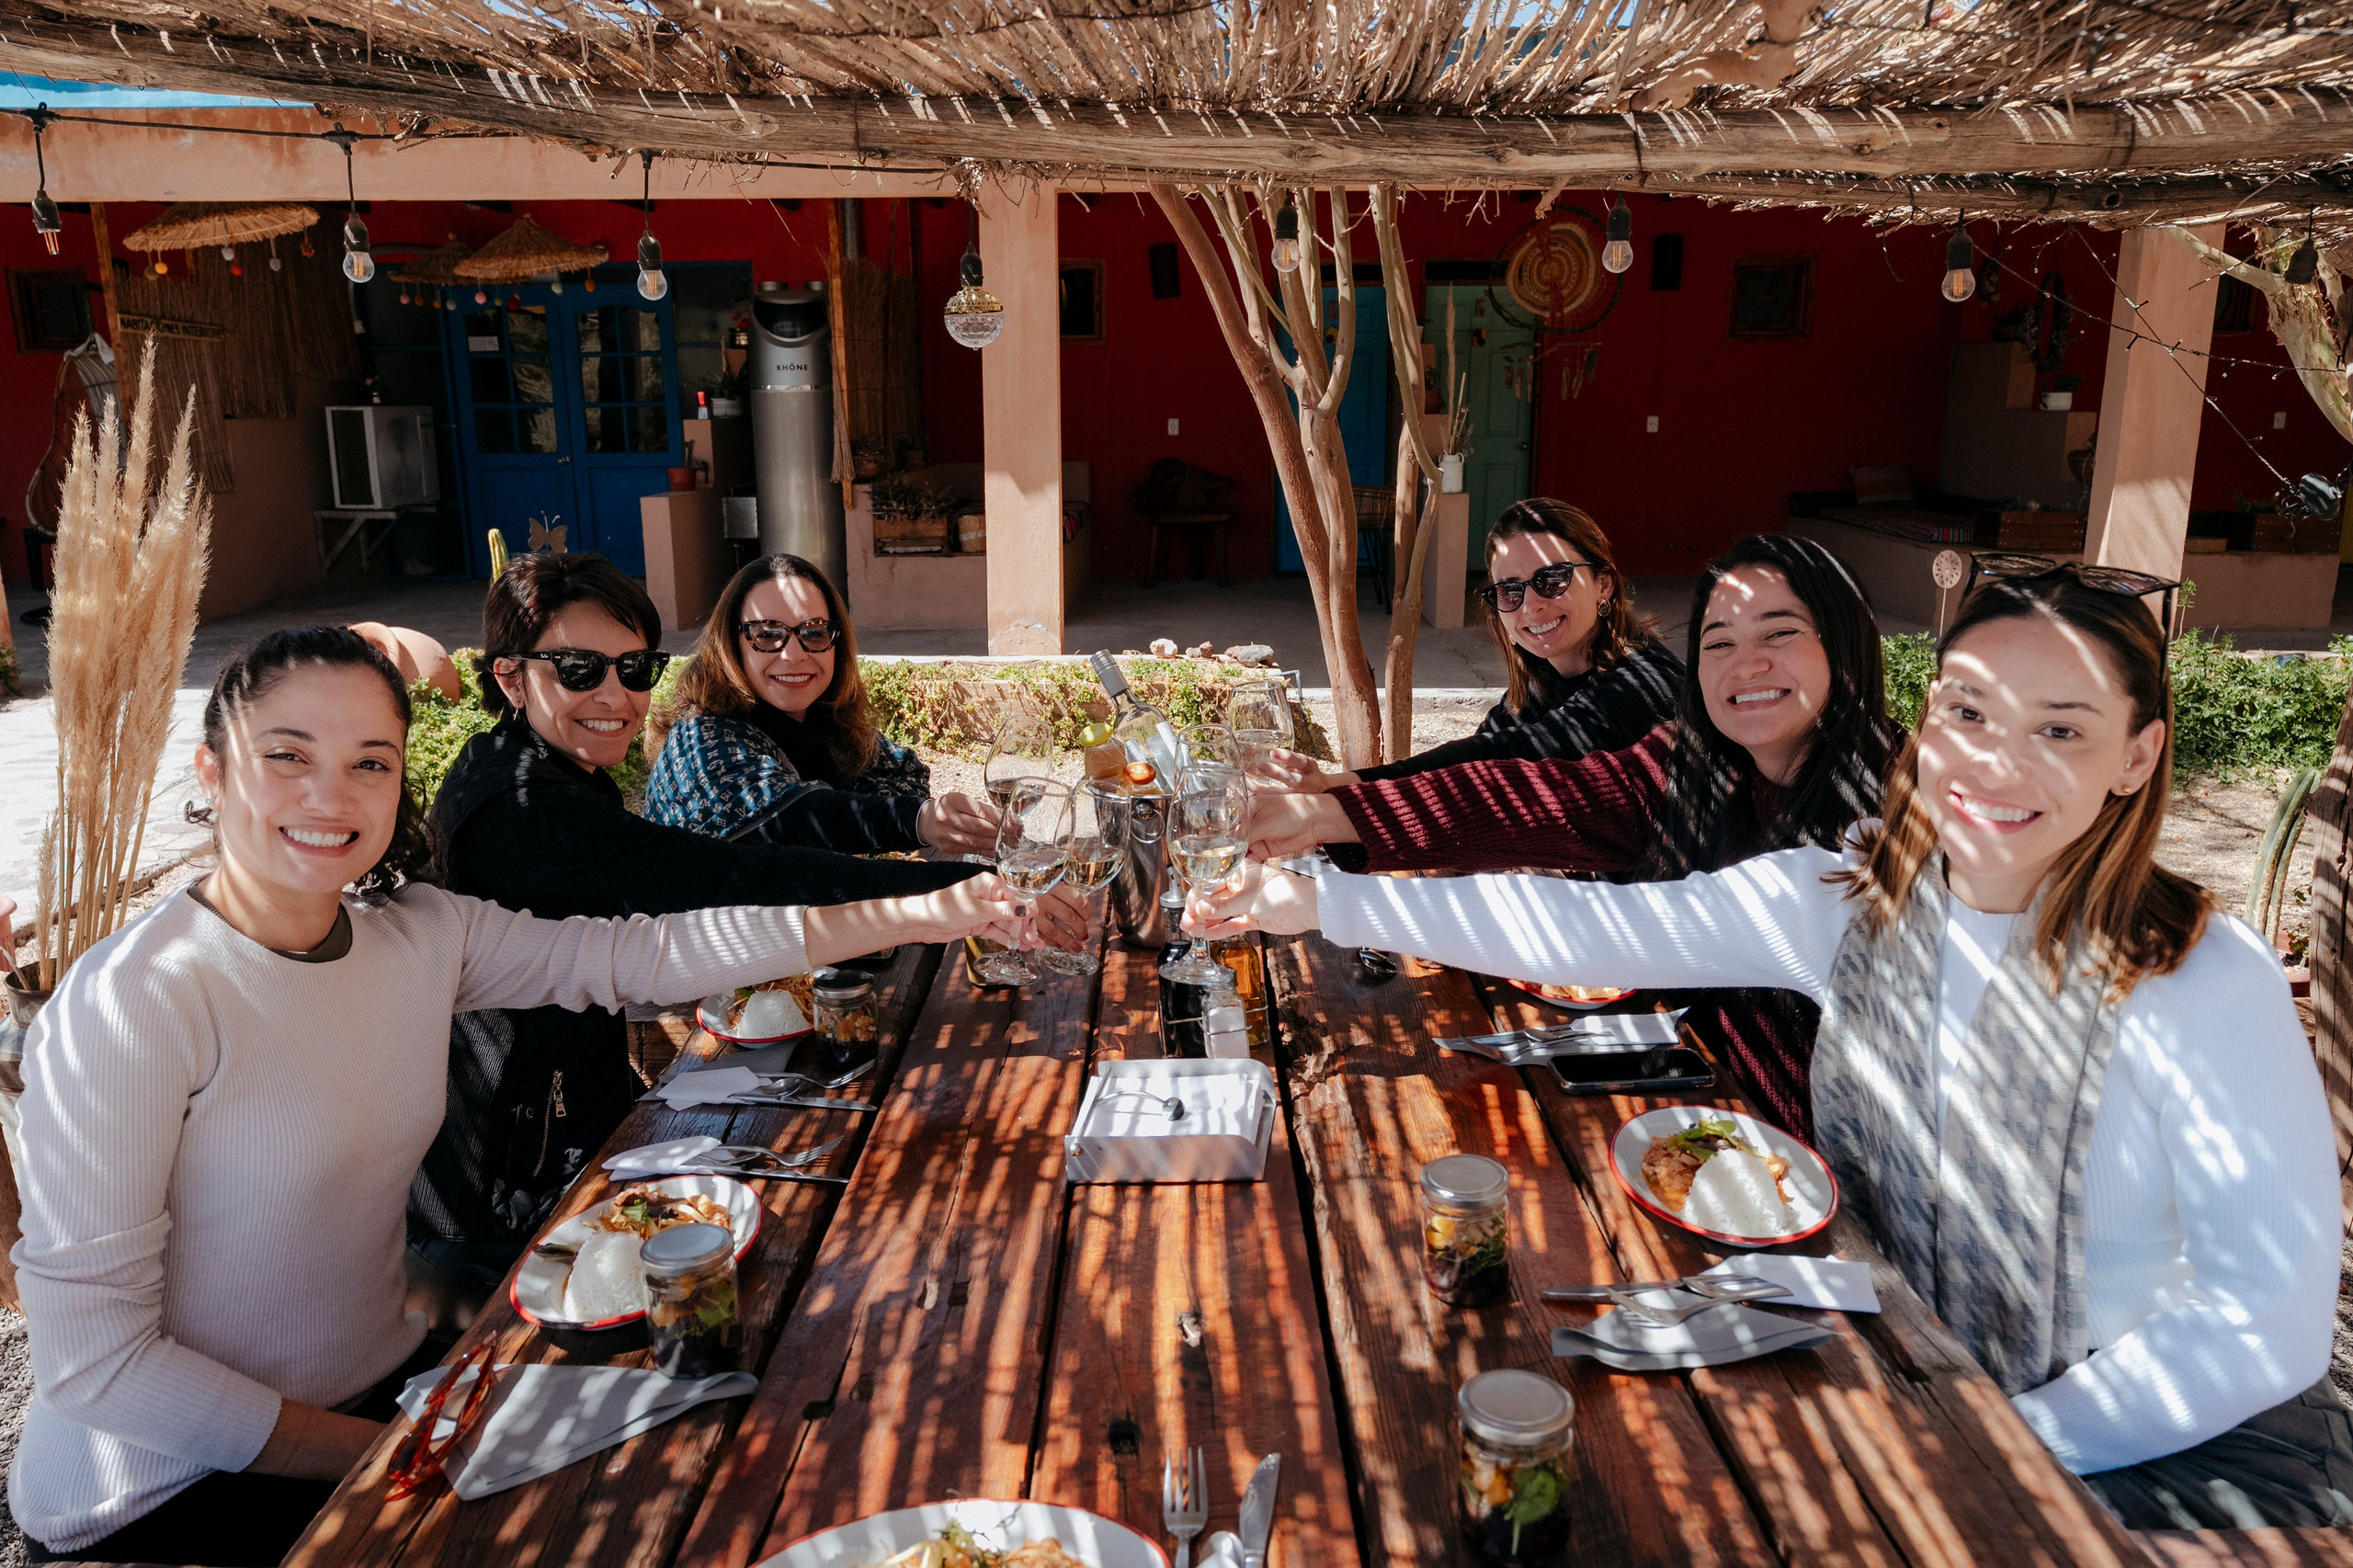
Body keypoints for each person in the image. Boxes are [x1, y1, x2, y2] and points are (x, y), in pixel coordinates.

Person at [1193, 566, 2349, 1528]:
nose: (1995, 763)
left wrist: (1996, 1447)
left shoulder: (2198, 975)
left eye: (2060, 729)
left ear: (2137, 758)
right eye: (1970, 713)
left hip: (2163, 1456)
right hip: (1905, 1372)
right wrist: (1316, 902)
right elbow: (1586, 925)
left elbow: (2264, 1317)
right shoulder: (1847, 897)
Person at [8, 627, 1065, 1565]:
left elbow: (644, 954)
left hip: (395, 1391)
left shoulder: (413, 932)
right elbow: (101, 1369)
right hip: (170, 1494)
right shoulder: (133, 1003)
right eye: (287, 756)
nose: (330, 795)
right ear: (210, 768)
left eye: (369, 762)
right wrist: (401, 1444)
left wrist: (933, 909)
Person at [410, 554, 1024, 1301]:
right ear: (510, 677)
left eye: (635, 668)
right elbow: (738, 874)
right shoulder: (524, 808)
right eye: (578, 669)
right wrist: (957, 891)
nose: (616, 695)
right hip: (507, 1185)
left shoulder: (538, 761)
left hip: (585, 1107)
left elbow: (864, 798)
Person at [1245, 534, 1899, 1134]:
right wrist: (1324, 814)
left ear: (1844, 645)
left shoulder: (1891, 820)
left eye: (1778, 634)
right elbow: (1534, 794)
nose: (1746, 664)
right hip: (1688, 1104)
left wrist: (1323, 879)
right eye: (1719, 642)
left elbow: (1608, 926)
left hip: (1816, 1175)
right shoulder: (1690, 758)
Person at [1259, 498, 1681, 790]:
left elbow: (1512, 754)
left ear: (1603, 583)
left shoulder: (1643, 684)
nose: (1530, 606)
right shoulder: (1547, 678)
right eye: (1510, 590)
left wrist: (1342, 786)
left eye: (1552, 579)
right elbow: (1480, 750)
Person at [642, 553, 999, 856]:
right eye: (767, 634)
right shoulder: (699, 738)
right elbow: (791, 817)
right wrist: (917, 821)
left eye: (813, 631)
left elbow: (905, 773)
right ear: (730, 643)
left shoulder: (822, 719)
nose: (793, 654)